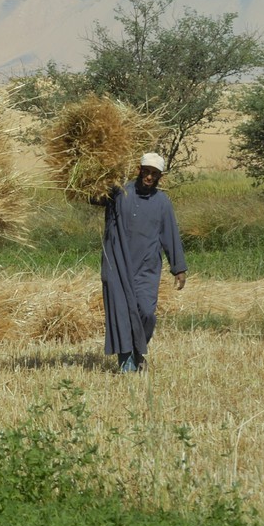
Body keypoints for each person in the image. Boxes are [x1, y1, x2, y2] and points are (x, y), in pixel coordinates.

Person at [98, 152, 186, 373]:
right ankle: (126, 364)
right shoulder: (120, 193)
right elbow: (93, 197)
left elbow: (170, 234)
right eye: (146, 172)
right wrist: (91, 176)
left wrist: (178, 267)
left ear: (159, 177)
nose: (149, 177)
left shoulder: (162, 202)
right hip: (117, 265)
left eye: (154, 174)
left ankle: (138, 349)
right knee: (121, 314)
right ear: (139, 170)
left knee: (146, 312)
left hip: (147, 267)